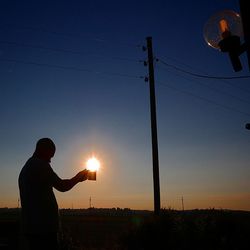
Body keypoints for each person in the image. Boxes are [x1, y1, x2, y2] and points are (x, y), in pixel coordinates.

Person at [18, 138, 88, 250]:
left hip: (31, 226)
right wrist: (78, 177)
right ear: (44, 150)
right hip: (43, 228)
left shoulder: (26, 168)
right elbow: (62, 186)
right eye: (50, 156)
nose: (50, 160)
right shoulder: (40, 165)